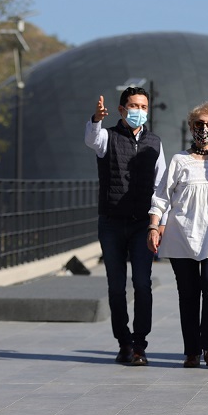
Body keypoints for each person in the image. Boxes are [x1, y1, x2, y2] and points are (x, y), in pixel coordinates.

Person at [147, 102, 208, 368]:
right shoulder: (179, 161)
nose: (204, 129)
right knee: (188, 293)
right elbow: (161, 196)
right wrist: (154, 226)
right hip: (182, 235)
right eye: (199, 124)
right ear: (191, 127)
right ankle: (192, 350)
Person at [84, 87, 166, 366]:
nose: (138, 112)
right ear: (121, 110)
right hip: (111, 223)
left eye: (143, 107)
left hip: (143, 223)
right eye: (133, 106)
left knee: (142, 284)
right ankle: (124, 343)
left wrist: (159, 222)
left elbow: (161, 185)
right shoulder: (107, 136)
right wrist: (95, 119)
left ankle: (140, 343)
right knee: (116, 286)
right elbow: (91, 140)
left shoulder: (155, 142)